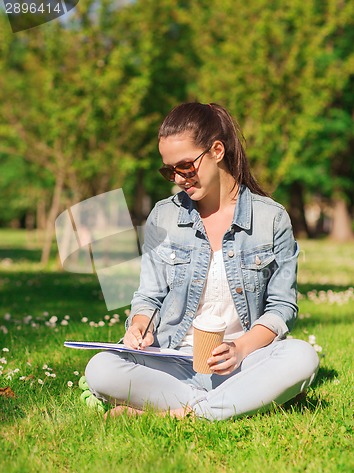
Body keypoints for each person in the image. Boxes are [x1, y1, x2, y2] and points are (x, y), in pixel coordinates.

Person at [85, 102, 319, 421]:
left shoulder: (272, 219)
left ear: (217, 151)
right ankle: (225, 404)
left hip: (241, 363)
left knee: (301, 356)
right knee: (101, 368)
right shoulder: (164, 216)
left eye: (185, 166)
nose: (178, 178)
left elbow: (282, 308)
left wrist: (240, 349)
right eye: (169, 170)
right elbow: (148, 296)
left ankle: (176, 412)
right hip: (172, 362)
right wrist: (140, 327)